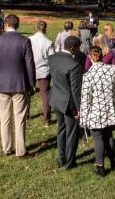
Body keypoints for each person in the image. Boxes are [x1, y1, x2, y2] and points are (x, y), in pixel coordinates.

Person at [0, 14, 36, 157]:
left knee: (5, 118)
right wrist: (32, 84)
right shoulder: (24, 41)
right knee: (19, 118)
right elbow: (30, 65)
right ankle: (20, 151)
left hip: (2, 84)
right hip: (19, 84)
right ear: (17, 25)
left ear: (6, 25)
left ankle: (7, 148)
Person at [80, 46, 115, 177]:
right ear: (102, 56)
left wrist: (84, 120)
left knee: (98, 139)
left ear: (90, 57)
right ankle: (114, 161)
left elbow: (85, 99)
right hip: (109, 109)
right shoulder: (112, 70)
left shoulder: (88, 76)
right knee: (108, 135)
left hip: (95, 112)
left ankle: (100, 167)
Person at [48, 36, 83, 169]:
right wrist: (78, 108)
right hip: (69, 103)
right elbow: (75, 90)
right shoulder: (74, 65)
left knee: (61, 129)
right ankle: (70, 162)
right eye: (78, 48)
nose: (79, 50)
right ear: (73, 48)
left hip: (56, 98)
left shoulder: (53, 58)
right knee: (72, 132)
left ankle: (61, 158)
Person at [30, 20, 55, 127]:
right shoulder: (48, 42)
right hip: (44, 71)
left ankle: (26, 115)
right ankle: (46, 119)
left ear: (37, 28)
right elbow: (52, 58)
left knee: (27, 94)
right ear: (45, 29)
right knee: (45, 95)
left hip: (30, 69)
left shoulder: (28, 40)